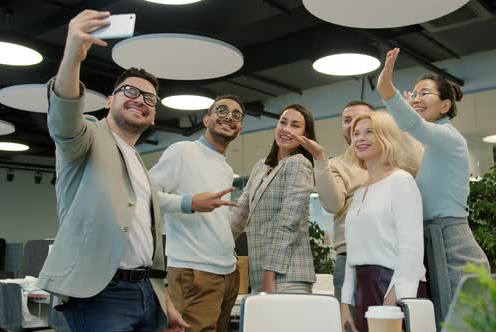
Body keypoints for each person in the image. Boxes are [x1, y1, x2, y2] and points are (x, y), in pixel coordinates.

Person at [36, 10, 189, 331]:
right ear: (108, 101)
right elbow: (64, 117)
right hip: (102, 295)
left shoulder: (139, 165)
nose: (140, 100)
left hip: (147, 292)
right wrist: (73, 56)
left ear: (153, 114)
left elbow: (145, 245)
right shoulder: (88, 136)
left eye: (149, 97)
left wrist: (166, 302)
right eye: (130, 91)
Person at [377, 47, 490, 326]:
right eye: (414, 94)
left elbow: (412, 125)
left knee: (458, 322)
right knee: (440, 320)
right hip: (433, 240)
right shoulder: (432, 147)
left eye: (424, 93)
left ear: (445, 106)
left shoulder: (449, 138)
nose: (416, 98)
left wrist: (387, 88)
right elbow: (409, 133)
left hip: (452, 243)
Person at [149, 95, 245, 332]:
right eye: (221, 111)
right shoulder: (182, 151)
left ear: (239, 128)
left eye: (236, 115)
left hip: (228, 272)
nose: (228, 117)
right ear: (206, 119)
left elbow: (215, 219)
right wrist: (189, 202)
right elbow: (145, 194)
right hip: (194, 271)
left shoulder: (226, 168)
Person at [340, 112, 428, 332]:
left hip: (394, 287)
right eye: (356, 134)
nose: (360, 138)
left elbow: (412, 249)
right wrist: (344, 303)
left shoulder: (402, 181)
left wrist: (394, 300)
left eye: (369, 131)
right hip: (363, 290)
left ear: (386, 136)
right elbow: (353, 253)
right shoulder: (360, 192)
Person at [290, 101, 372, 303]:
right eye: (347, 120)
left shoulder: (393, 162)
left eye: (360, 118)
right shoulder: (335, 165)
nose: (353, 124)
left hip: (391, 253)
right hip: (349, 254)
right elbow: (333, 204)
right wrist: (320, 159)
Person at [230, 104, 317, 293]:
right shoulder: (261, 167)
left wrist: (270, 274)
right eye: (283, 122)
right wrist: (216, 242)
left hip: (286, 275)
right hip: (260, 274)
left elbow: (289, 223)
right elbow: (239, 213)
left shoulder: (299, 163)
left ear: (305, 135)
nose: (286, 129)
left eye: (295, 125)